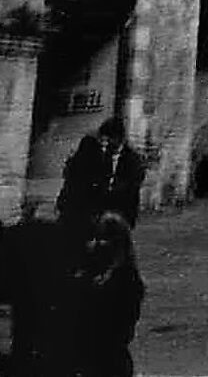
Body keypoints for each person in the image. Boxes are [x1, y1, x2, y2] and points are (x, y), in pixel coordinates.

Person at [73, 213, 145, 377]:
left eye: (102, 238)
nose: (95, 244)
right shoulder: (100, 274)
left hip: (107, 357)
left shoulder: (123, 279)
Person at [59, 118, 147, 228]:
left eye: (109, 140)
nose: (106, 144)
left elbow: (132, 185)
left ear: (119, 139)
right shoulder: (99, 154)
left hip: (121, 209)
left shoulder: (132, 159)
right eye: (104, 140)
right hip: (95, 210)